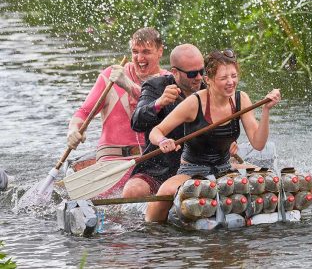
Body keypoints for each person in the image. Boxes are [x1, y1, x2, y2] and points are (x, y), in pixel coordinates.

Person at [146, 49, 281, 222]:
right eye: (224, 78)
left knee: (272, 181)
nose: (231, 82)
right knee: (165, 191)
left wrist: (266, 111)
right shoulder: (194, 103)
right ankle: (151, 231)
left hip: (225, 168)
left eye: (234, 76)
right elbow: (155, 132)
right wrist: (164, 141)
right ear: (207, 80)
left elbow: (258, 144)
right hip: (192, 171)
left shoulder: (241, 99)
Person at [67, 27, 169, 196]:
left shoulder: (167, 81)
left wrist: (128, 86)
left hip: (151, 162)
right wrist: (73, 130)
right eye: (135, 52)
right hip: (111, 162)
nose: (140, 58)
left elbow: (152, 105)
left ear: (160, 52)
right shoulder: (110, 76)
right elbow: (83, 113)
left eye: (146, 52)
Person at [122, 44, 209, 198]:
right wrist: (159, 103)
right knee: (132, 191)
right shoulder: (155, 87)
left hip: (200, 166)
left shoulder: (210, 87)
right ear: (174, 72)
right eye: (192, 74)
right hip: (158, 168)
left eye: (202, 71)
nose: (199, 78)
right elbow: (136, 122)